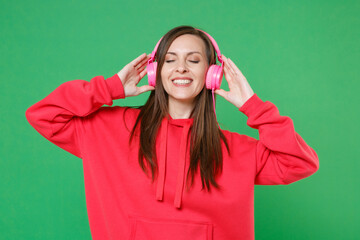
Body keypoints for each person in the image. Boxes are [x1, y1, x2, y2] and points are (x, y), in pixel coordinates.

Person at [25, 25, 319, 240]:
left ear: (212, 75)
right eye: (170, 59)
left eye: (193, 60)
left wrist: (254, 106)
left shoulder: (235, 150)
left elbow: (301, 162)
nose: (181, 68)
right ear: (156, 71)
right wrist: (110, 87)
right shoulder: (109, 130)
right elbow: (44, 115)